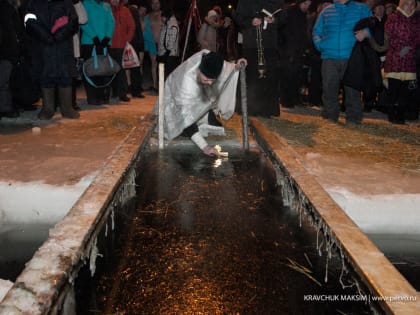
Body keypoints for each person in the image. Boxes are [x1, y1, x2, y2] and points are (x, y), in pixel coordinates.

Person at [160, 50, 247, 156]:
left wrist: (237, 66)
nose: (210, 83)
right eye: (207, 79)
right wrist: (204, 146)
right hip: (175, 101)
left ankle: (201, 118)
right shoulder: (184, 82)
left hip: (196, 97)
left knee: (215, 125)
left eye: (213, 80)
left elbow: (226, 68)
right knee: (180, 129)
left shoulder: (210, 58)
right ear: (198, 70)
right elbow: (185, 117)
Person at [312, 0, 372, 124]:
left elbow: (374, 25)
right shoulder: (326, 11)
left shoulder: (362, 8)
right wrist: (320, 45)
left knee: (352, 89)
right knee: (329, 88)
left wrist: (366, 32)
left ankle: (354, 118)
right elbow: (316, 32)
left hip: (352, 57)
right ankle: (330, 116)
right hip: (329, 56)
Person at [24, 0, 80, 120]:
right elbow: (29, 22)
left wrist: (59, 36)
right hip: (43, 47)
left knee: (65, 77)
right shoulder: (32, 3)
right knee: (46, 77)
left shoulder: (66, 2)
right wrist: (45, 36)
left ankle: (67, 108)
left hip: (63, 46)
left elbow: (74, 21)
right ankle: (48, 108)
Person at [235, 0, 284, 117]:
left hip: (269, 44)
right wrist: (250, 21)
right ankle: (249, 108)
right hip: (252, 43)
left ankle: (267, 109)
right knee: (251, 75)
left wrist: (274, 20)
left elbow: (284, 17)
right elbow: (238, 17)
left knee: (269, 75)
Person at [383, 0, 420, 123]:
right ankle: (391, 114)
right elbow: (389, 36)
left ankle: (400, 113)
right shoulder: (393, 18)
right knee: (393, 89)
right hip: (395, 59)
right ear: (401, 4)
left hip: (409, 59)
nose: (409, 7)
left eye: (412, 4)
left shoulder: (416, 20)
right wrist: (399, 48)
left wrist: (409, 47)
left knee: (405, 90)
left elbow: (418, 37)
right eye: (406, 4)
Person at [277, 0, 312, 108]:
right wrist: (283, 48)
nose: (307, 7)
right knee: (287, 76)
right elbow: (282, 31)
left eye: (309, 5)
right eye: (305, 4)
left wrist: (304, 48)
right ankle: (286, 100)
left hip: (298, 51)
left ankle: (295, 98)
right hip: (288, 50)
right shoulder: (289, 12)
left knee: (297, 76)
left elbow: (302, 33)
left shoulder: (303, 15)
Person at [80, 0, 115, 105]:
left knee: (103, 70)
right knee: (90, 70)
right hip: (89, 42)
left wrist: (107, 37)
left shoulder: (106, 6)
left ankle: (102, 95)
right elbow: (83, 22)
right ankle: (92, 96)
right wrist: (94, 37)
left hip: (105, 43)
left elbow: (111, 22)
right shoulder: (85, 4)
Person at [0, 0, 24, 118]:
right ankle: (5, 107)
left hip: (7, 50)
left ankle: (5, 107)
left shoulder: (8, 8)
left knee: (5, 81)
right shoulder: (8, 8)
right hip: (8, 50)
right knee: (4, 81)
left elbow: (17, 30)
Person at [109, 0, 135, 102]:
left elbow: (132, 26)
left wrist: (127, 39)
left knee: (121, 70)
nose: (114, 0)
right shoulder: (107, 9)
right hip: (109, 45)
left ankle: (122, 93)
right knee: (110, 70)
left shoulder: (125, 11)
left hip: (121, 46)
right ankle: (113, 91)